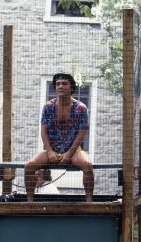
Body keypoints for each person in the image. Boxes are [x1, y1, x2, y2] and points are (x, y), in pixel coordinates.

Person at [25, 72, 94, 202]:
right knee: (29, 165)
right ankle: (30, 201)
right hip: (51, 150)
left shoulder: (81, 108)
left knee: (88, 165)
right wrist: (49, 151)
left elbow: (81, 133)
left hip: (73, 151)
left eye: (64, 84)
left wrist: (69, 153)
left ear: (71, 88)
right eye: (57, 84)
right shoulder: (48, 106)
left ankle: (89, 202)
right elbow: (43, 130)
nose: (60, 86)